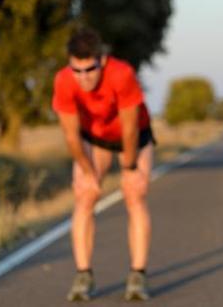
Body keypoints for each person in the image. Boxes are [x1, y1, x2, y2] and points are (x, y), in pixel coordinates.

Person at [52, 28, 155, 301]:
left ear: (103, 60)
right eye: (78, 71)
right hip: (95, 138)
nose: (84, 78)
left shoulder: (121, 73)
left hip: (133, 137)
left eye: (90, 70)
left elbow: (130, 128)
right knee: (85, 195)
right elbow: (71, 135)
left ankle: (137, 275)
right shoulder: (64, 81)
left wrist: (130, 168)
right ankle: (83, 275)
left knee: (134, 194)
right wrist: (88, 173)